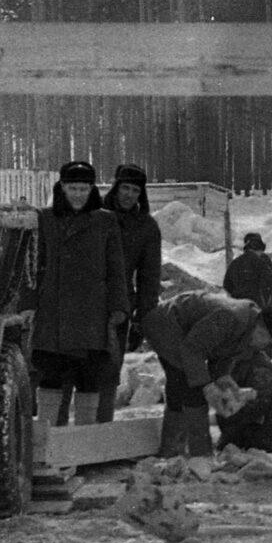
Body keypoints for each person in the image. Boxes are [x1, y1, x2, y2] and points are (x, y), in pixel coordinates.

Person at [24, 161, 128, 426]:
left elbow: (117, 269)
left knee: (89, 377)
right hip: (53, 312)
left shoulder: (105, 221)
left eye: (84, 188)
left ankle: (84, 442)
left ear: (92, 188)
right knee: (51, 375)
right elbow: (33, 267)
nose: (78, 194)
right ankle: (48, 441)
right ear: (62, 188)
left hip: (92, 312)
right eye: (73, 188)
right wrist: (30, 304)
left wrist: (118, 308)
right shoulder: (45, 219)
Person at [138, 290, 272, 457]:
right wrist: (207, 387)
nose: (264, 348)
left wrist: (223, 378)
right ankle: (200, 454)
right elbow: (193, 350)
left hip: (181, 331)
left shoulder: (247, 328)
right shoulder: (230, 317)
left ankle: (171, 450)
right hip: (166, 324)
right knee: (192, 390)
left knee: (180, 387)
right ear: (262, 330)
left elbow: (222, 353)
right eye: (267, 342)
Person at [96, 163, 162, 424]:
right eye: (125, 187)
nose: (129, 195)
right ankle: (65, 434)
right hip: (85, 302)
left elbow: (149, 277)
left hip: (120, 305)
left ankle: (102, 428)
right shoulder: (95, 216)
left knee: (110, 370)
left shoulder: (146, 228)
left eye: (135, 190)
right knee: (76, 369)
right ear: (115, 187)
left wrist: (142, 318)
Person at [216, 343, 272, 453]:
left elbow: (259, 405)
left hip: (258, 437)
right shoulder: (235, 363)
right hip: (238, 434)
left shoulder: (259, 367)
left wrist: (227, 415)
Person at [222, 232, 272, 310]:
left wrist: (236, 298)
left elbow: (227, 285)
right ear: (259, 249)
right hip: (257, 306)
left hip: (239, 307)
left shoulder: (235, 263)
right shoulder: (260, 261)